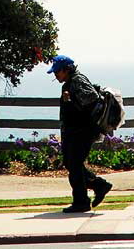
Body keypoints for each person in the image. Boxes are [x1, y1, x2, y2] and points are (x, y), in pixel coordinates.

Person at [47, 54, 112, 213]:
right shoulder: (71, 82)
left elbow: (92, 100)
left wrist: (70, 101)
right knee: (71, 164)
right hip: (75, 131)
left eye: (57, 72)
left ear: (66, 69)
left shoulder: (77, 81)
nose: (56, 75)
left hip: (82, 131)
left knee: (74, 164)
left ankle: (82, 201)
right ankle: (98, 186)